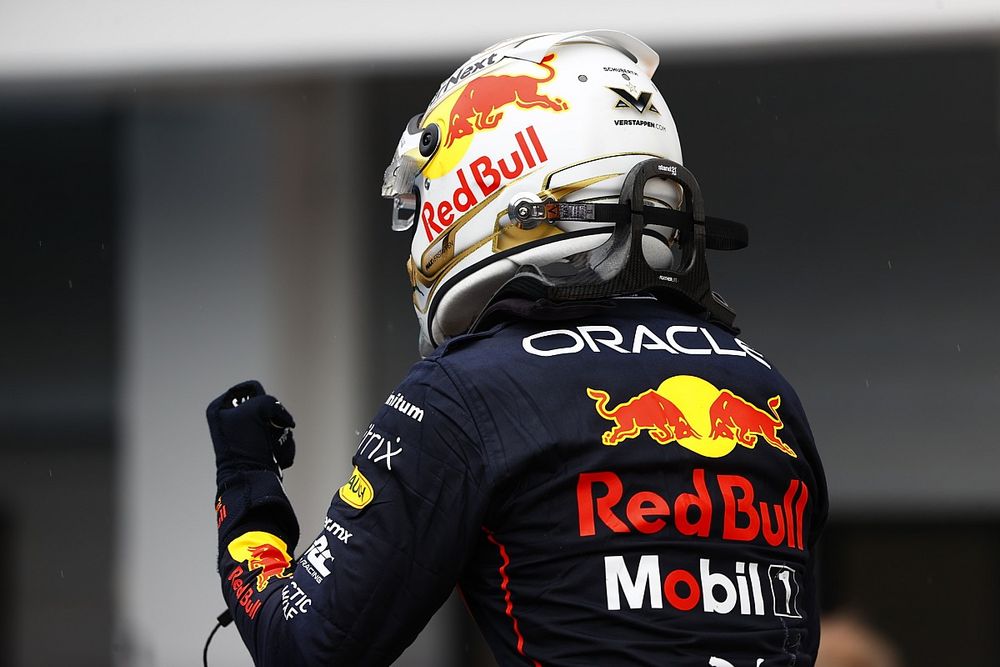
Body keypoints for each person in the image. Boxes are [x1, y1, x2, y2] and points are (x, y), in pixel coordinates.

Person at [207, 30, 828, 666]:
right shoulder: (763, 384)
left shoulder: (466, 391)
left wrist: (247, 479)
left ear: (485, 172)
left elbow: (303, 646)